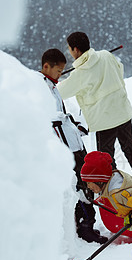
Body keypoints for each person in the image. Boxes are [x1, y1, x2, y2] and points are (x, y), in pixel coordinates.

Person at [57, 32, 132, 189]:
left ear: (76, 50)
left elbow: (59, 92)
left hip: (103, 120)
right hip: (122, 111)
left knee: (105, 157)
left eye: (70, 49)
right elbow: (120, 70)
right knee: (130, 147)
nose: (69, 52)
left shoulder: (80, 74)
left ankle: (112, 189)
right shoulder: (106, 56)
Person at [40, 48, 108, 244]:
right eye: (58, 71)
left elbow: (62, 115)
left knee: (87, 180)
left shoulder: (51, 86)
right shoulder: (41, 88)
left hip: (73, 142)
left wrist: (75, 126)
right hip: (66, 147)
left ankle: (88, 223)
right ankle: (84, 226)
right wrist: (64, 147)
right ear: (46, 66)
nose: (60, 76)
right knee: (81, 184)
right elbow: (52, 121)